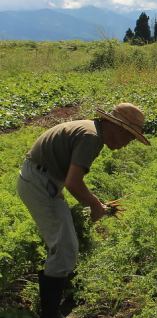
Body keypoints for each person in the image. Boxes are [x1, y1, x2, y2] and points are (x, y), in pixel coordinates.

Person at [17, 103, 150, 318]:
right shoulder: (91, 137)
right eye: (130, 137)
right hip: (39, 183)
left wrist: (93, 203)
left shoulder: (92, 131)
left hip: (43, 179)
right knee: (63, 246)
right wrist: (96, 205)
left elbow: (71, 181)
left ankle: (63, 294)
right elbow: (73, 183)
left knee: (66, 243)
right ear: (116, 127)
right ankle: (50, 313)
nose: (128, 143)